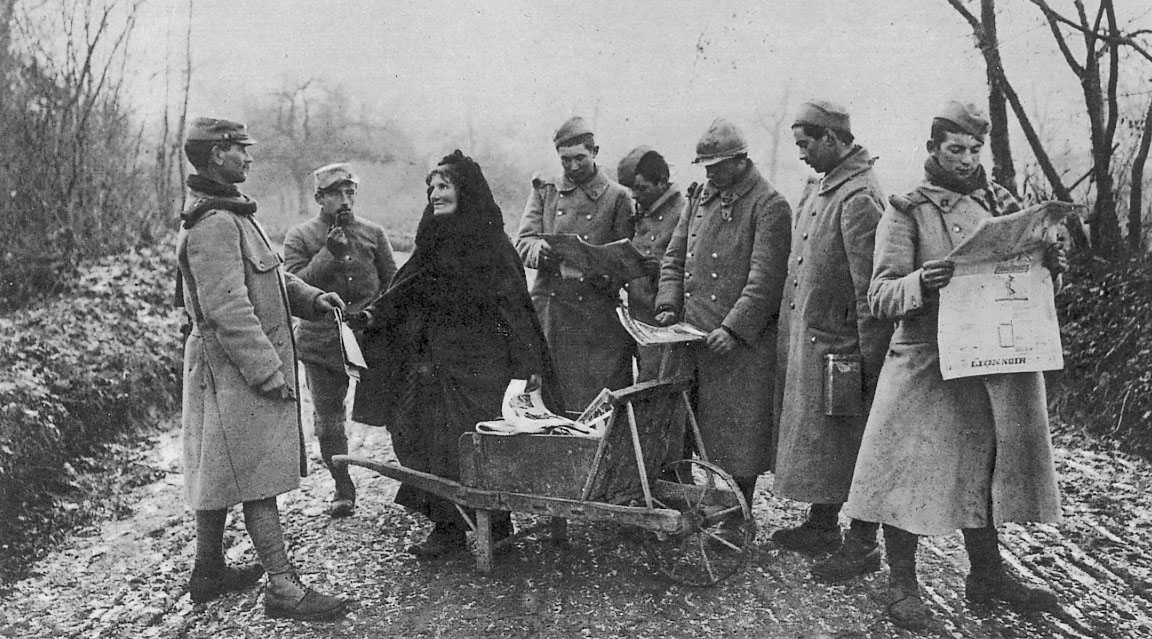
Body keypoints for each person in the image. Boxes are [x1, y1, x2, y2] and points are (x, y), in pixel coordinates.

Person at [843, 102, 1068, 629]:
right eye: (955, 150)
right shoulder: (908, 210)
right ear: (933, 150)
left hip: (993, 361)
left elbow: (1032, 289)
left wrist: (1049, 269)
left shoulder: (1004, 205)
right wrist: (923, 280)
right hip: (927, 363)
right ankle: (902, 582)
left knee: (985, 466)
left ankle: (987, 574)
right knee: (909, 473)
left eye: (974, 150)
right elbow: (879, 295)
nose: (967, 161)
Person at [176, 117, 349, 621]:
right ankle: (282, 585)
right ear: (215, 156)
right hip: (231, 370)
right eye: (239, 149)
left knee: (220, 466)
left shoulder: (233, 213)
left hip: (230, 370)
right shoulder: (213, 223)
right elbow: (228, 310)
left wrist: (313, 299)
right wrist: (268, 371)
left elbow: (269, 277)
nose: (249, 157)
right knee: (254, 476)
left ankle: (208, 571)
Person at [352, 150, 562, 559]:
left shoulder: (491, 243)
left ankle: (494, 523)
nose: (435, 194)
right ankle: (446, 527)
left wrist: (526, 362)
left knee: (478, 442)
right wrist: (374, 314)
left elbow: (513, 308)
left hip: (482, 366)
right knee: (424, 438)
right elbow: (405, 288)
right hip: (433, 363)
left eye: (444, 186)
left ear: (466, 191)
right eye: (431, 187)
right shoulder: (431, 238)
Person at [770, 101, 892, 580]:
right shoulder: (822, 185)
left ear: (833, 140)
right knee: (826, 447)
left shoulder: (859, 197)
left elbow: (870, 292)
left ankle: (863, 546)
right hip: (815, 345)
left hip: (843, 352)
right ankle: (823, 526)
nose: (800, 154)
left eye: (805, 144)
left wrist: (870, 364)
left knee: (856, 446)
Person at [654, 118, 792, 508]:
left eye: (716, 165)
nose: (710, 173)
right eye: (705, 166)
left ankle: (736, 512)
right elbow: (675, 257)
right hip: (689, 337)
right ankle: (679, 503)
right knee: (676, 426)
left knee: (735, 440)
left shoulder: (770, 205)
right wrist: (667, 304)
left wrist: (733, 330)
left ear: (740, 161)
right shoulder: (701, 198)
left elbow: (765, 281)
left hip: (737, 348)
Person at [283, 163, 397, 518]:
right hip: (321, 343)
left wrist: (378, 318)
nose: (344, 200)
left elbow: (393, 284)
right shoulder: (300, 237)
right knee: (329, 419)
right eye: (335, 193)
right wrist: (327, 254)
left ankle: (417, 484)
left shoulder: (373, 233)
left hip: (370, 339)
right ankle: (342, 484)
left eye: (350, 192)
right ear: (319, 198)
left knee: (396, 410)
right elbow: (292, 288)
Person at [514, 116, 635, 411]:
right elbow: (523, 241)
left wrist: (603, 271)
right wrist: (539, 250)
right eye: (565, 159)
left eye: (580, 157)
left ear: (595, 152)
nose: (574, 166)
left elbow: (626, 258)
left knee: (594, 403)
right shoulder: (546, 190)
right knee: (549, 399)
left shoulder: (618, 197)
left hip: (596, 318)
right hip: (552, 312)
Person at [616, 146, 688, 381]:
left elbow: (689, 267)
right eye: (631, 190)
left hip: (664, 318)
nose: (635, 195)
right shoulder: (642, 209)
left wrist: (658, 271)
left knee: (658, 382)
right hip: (638, 315)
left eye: (641, 188)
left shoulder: (682, 211)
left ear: (663, 181)